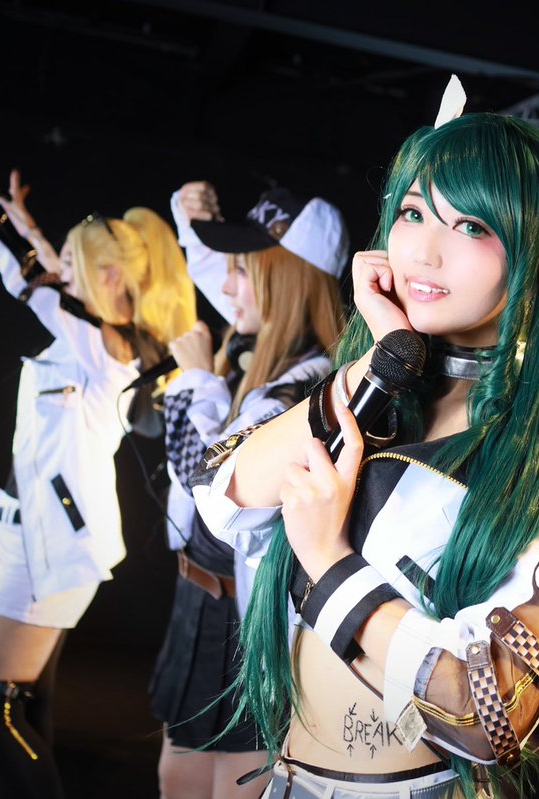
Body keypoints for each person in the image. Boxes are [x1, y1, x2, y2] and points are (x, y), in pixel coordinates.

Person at [190, 77, 539, 798]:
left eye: (472, 227)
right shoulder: (380, 391)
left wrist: (328, 562)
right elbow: (221, 501)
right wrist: (381, 355)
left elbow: (490, 716)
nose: (424, 252)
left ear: (537, 253)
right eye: (413, 212)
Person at [0, 86, 196, 798]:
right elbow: (47, 267)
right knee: (22, 704)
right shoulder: (110, 340)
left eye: (74, 264)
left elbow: (23, 270)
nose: (60, 271)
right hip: (49, 537)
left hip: (51, 546)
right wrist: (25, 221)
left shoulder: (102, 345)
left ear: (107, 277)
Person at [151, 180, 348, 799]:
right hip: (205, 605)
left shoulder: (302, 393)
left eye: (244, 271)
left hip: (247, 629)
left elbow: (209, 498)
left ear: (284, 282)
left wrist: (199, 382)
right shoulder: (269, 349)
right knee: (176, 783)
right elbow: (227, 282)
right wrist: (191, 222)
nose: (227, 286)